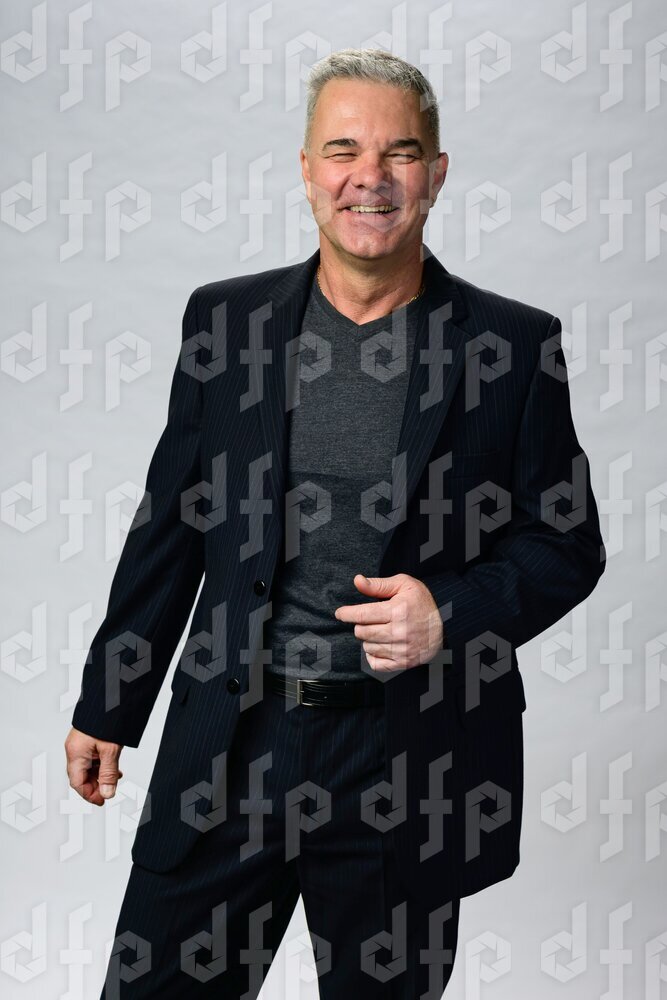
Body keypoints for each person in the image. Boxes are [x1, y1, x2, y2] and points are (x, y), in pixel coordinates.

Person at [64, 48, 606, 998]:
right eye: (344, 150)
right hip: (232, 744)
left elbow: (566, 543)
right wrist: (112, 700)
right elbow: (172, 526)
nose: (371, 176)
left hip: (407, 763)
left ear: (436, 174)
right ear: (307, 169)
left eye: (401, 152)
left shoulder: (512, 345)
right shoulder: (226, 324)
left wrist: (449, 613)